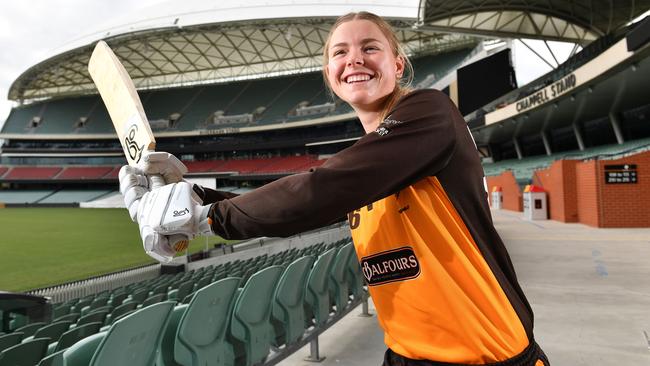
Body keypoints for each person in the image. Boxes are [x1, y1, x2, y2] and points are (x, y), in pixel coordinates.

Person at [119, 11, 549, 366]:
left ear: (398, 65)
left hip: (488, 354)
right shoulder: (370, 165)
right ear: (330, 75)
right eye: (340, 53)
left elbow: (321, 188)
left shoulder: (429, 112)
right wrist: (194, 196)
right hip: (406, 353)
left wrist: (204, 218)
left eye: (370, 48)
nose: (355, 59)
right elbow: (302, 205)